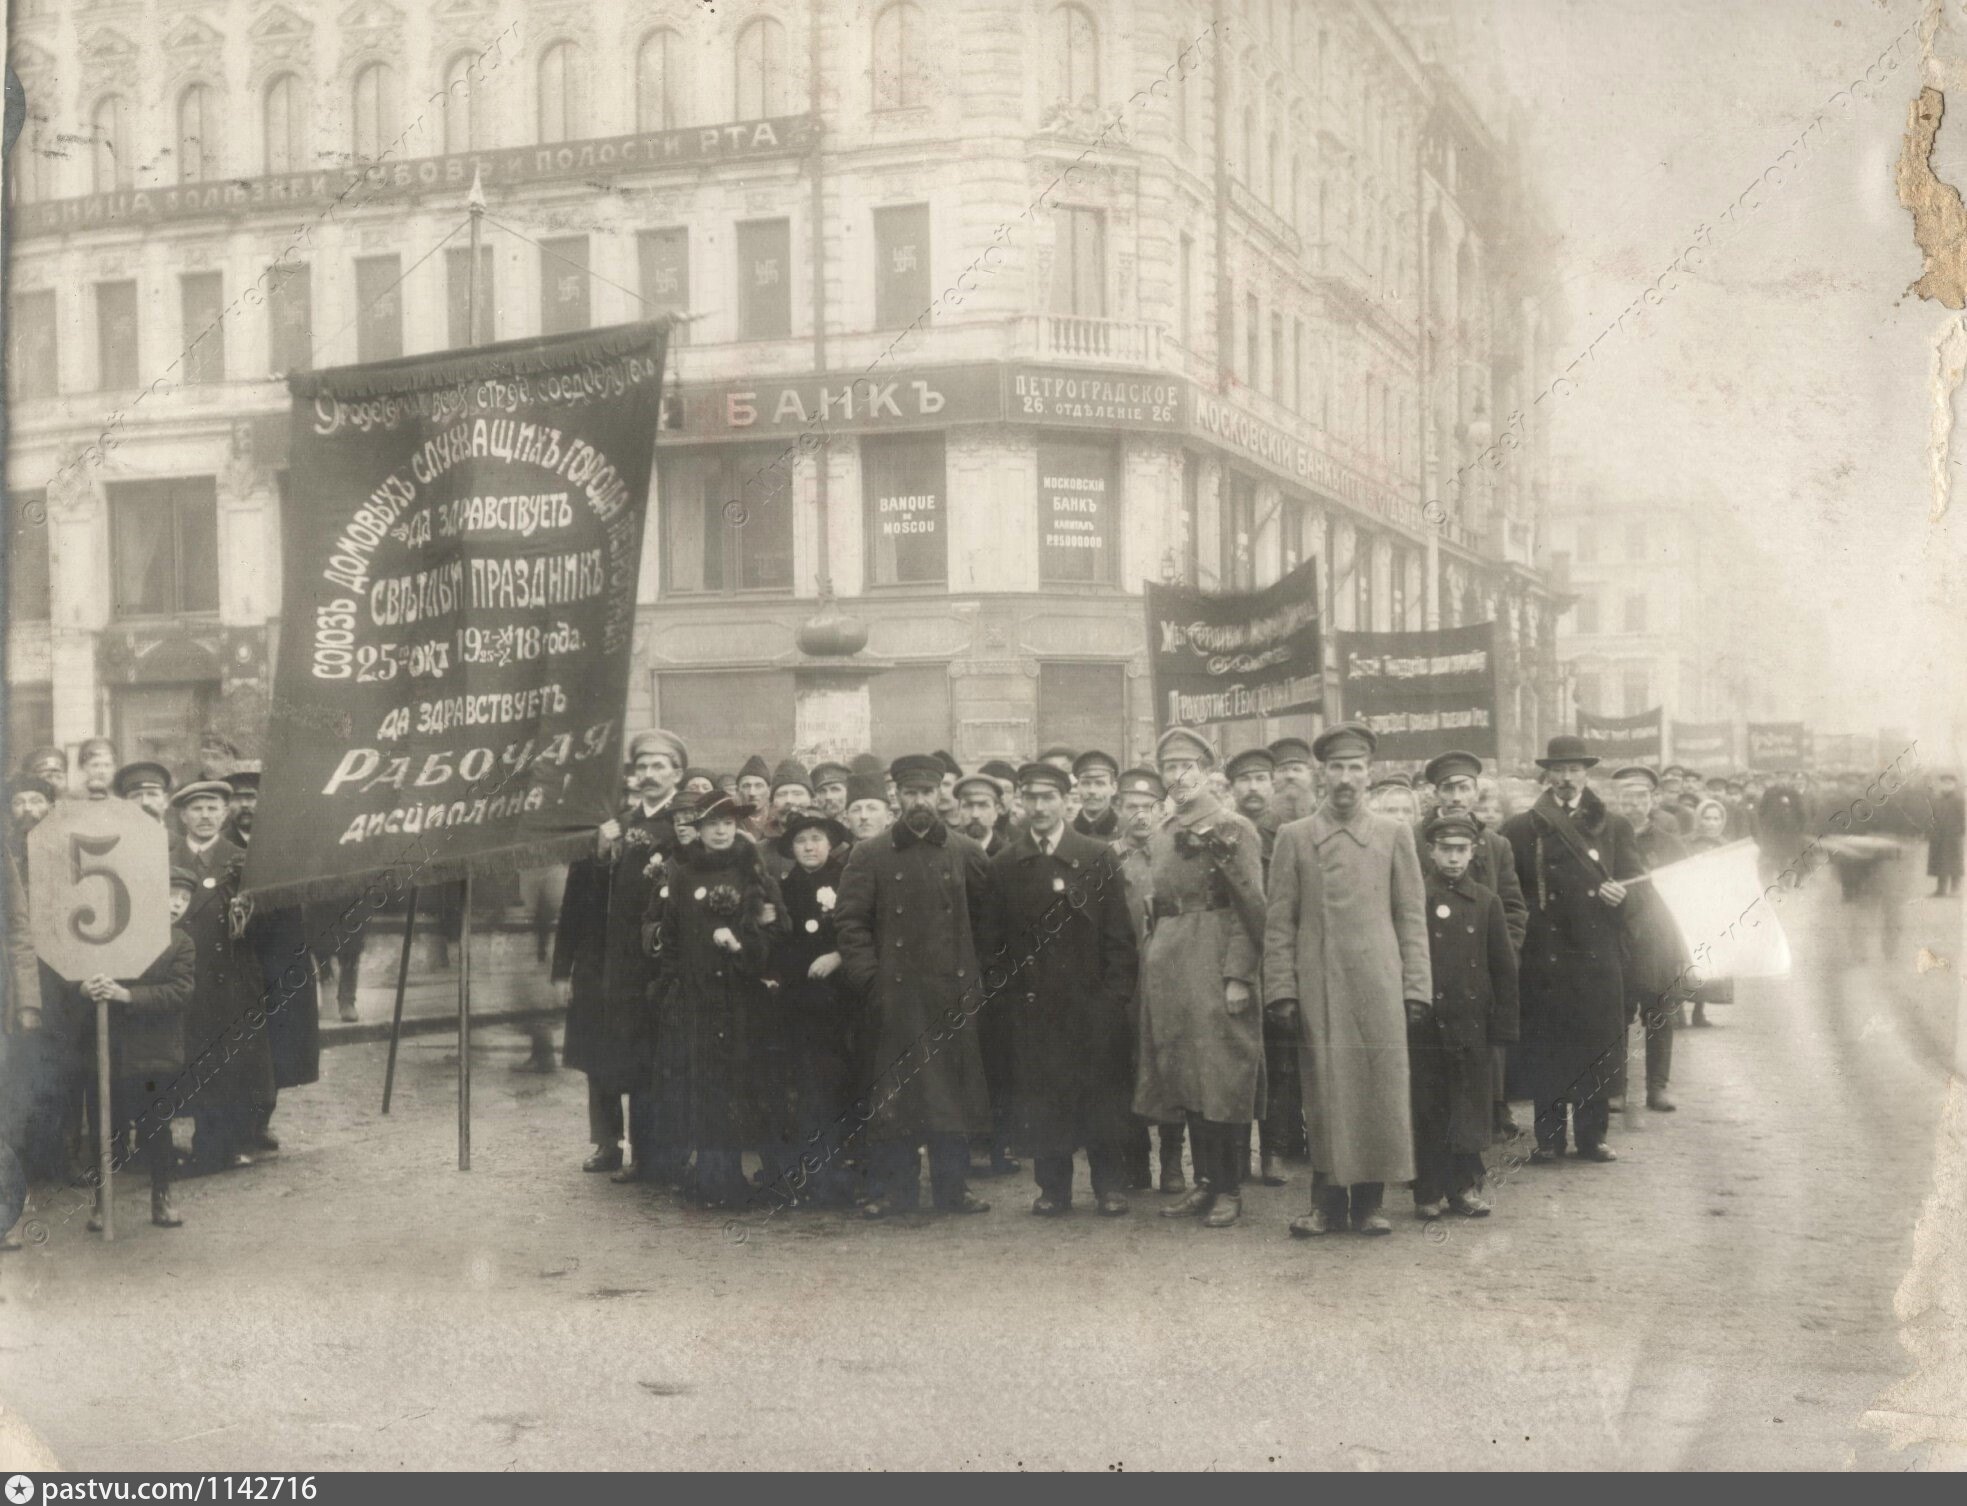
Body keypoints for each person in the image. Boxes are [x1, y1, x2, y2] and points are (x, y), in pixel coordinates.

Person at [1263, 722, 1430, 1238]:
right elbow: (1279, 922)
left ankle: (1369, 1205)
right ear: (1321, 774)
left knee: (1378, 1088)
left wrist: (1416, 987)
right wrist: (1282, 988)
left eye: (1355, 768)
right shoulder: (1295, 838)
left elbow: (1411, 917)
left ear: (1369, 774)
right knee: (1326, 1092)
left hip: (1378, 983)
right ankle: (1327, 1204)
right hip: (1321, 983)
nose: (1345, 778)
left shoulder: (1395, 834)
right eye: (1336, 767)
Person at [833, 755, 994, 1219]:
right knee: (894, 1097)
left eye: (926, 792)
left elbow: (989, 927)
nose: (919, 802)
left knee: (951, 1097)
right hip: (896, 996)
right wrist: (869, 979)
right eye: (909, 794)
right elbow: (850, 922)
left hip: (952, 994)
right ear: (896, 798)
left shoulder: (966, 852)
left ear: (940, 795)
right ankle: (893, 1190)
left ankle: (953, 1189)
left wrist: (977, 979)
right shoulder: (870, 854)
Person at [977, 762, 1140, 1217]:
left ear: (1066, 801)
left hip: (1092, 1004)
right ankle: (1053, 1189)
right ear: (1020, 803)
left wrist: (1114, 999)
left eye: (1049, 797)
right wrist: (1009, 998)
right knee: (1042, 1096)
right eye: (1031, 798)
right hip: (1033, 1006)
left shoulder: (1096, 856)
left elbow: (1120, 937)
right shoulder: (1005, 864)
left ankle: (1110, 1185)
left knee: (1102, 1095)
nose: (1040, 807)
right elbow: (994, 944)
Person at [1133, 728, 1267, 1229]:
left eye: (1187, 765)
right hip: (1170, 960)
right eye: (1168, 767)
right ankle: (1205, 1182)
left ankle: (1230, 1188)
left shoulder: (1233, 827)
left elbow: (1252, 909)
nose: (1176, 775)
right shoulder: (1164, 829)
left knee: (1224, 1074)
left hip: (1215, 958)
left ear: (1209, 770)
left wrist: (1239, 976)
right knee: (1187, 1073)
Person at [1501, 736, 1644, 1164]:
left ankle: (1592, 1136)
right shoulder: (1521, 827)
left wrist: (1624, 897)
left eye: (1574, 769)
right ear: (1547, 775)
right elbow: (1511, 892)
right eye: (1558, 770)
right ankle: (1548, 1138)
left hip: (1597, 951)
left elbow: (1640, 885)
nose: (1565, 778)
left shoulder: (1614, 826)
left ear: (1586, 773)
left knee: (1595, 1044)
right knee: (1547, 1046)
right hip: (1544, 955)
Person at [553, 729, 685, 1181]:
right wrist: (603, 856)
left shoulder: (682, 828)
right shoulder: (616, 826)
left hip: (646, 964)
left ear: (677, 774)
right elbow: (579, 901)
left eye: (659, 767)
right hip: (602, 962)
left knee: (644, 1058)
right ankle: (607, 1143)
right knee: (600, 1053)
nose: (649, 775)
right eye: (642, 767)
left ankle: (647, 1153)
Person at [645, 791, 785, 1208]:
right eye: (712, 824)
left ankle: (743, 1177)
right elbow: (670, 938)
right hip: (698, 998)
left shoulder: (754, 872)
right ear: (700, 830)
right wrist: (673, 986)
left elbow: (778, 931)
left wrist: (745, 943)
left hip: (744, 998)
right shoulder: (684, 876)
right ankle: (711, 1178)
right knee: (704, 1086)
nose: (721, 831)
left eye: (728, 823)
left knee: (742, 1085)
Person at [1408, 811, 1519, 1220]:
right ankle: (1428, 1190)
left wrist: (1503, 1026)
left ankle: (1465, 1188)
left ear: (1473, 853)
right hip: (1427, 1022)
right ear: (1431, 852)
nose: (1453, 858)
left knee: (1470, 1105)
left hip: (1472, 1022)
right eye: (1445, 850)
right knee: (1429, 1105)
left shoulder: (1486, 901)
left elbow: (1503, 967)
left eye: (1461, 850)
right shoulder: (1416, 898)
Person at [81, 867, 199, 1232]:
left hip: (154, 1054)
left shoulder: (181, 943)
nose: (177, 904)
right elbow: (82, 974)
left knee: (157, 1128)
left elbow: (179, 991)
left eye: (184, 898)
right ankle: (101, 1203)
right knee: (107, 1127)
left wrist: (126, 995)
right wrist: (87, 988)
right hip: (111, 1048)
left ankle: (161, 1198)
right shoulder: (114, 935)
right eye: (170, 894)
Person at [170, 780, 277, 1175]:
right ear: (182, 815)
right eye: (197, 808)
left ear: (225, 812)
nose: (205, 816)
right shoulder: (166, 857)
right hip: (183, 973)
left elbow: (267, 921)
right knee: (186, 1056)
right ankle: (177, 1146)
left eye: (213, 808)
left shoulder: (242, 858)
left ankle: (226, 1143)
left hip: (231, 975)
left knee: (229, 1059)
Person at [1422, 751, 1529, 1140]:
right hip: (1433, 962)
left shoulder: (1495, 845)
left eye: (1463, 787)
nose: (1455, 796)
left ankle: (1495, 1108)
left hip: (1482, 962)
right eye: (1448, 788)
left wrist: (1505, 952)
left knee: (1486, 1043)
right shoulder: (1420, 841)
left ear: (1475, 793)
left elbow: (1514, 905)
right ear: (1436, 793)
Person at [762, 810, 856, 1207]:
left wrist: (838, 955)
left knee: (833, 1087)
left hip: (836, 1002)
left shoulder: (845, 884)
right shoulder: (782, 889)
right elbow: (775, 942)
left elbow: (860, 930)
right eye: (801, 841)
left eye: (817, 839)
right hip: (795, 1003)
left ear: (830, 845)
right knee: (799, 1087)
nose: (809, 847)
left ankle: (833, 1176)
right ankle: (796, 1175)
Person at [223, 770, 319, 1152]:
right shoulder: (223, 845)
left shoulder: (284, 845)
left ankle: (262, 1118)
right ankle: (235, 1123)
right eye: (239, 798)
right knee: (239, 1041)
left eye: (252, 797)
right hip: (238, 958)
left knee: (279, 1040)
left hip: (281, 957)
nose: (246, 805)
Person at [1108, 767, 1183, 1193]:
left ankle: (1173, 1162)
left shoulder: (1175, 855)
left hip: (1168, 977)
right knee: (1125, 1067)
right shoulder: (1104, 860)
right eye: (1132, 806)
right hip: (1123, 979)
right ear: (1118, 808)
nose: (1140, 815)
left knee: (1168, 1065)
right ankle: (1136, 1160)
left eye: (1149, 807)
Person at [1225, 746, 1295, 1185]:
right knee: (1234, 1057)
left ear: (1272, 785)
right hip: (1232, 955)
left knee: (1281, 1058)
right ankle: (1233, 1157)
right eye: (1243, 780)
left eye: (1260, 779)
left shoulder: (1288, 833)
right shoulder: (1222, 831)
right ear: (1231, 787)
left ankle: (1275, 1151)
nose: (1252, 787)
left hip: (1277, 957)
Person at [1612, 765, 1692, 1112]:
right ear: (1616, 801)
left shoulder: (1670, 843)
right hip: (1617, 938)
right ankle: (1614, 1089)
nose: (1633, 805)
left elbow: (1688, 895)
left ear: (1653, 800)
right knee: (1614, 1017)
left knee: (1660, 1013)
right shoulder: (1605, 839)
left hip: (1660, 939)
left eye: (1640, 797)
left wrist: (1685, 945)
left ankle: (1657, 1088)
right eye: (1626, 798)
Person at [951, 772, 1009, 856]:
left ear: (996, 811)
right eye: (968, 806)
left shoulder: (1007, 854)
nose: (975, 814)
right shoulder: (946, 850)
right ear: (958, 810)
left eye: (983, 806)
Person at [1070, 750, 1121, 839]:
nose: (1092, 791)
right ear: (1077, 787)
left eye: (1100, 783)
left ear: (1113, 788)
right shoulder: (1066, 833)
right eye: (1085, 783)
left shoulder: (1126, 832)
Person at [1928, 771, 1963, 898]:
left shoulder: (1959, 800)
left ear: (1954, 785)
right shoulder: (1938, 799)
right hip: (1940, 835)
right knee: (1941, 861)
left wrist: (1960, 831)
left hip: (1953, 835)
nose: (1947, 786)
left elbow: (1963, 817)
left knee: (1954, 862)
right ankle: (1941, 889)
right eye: (1944, 783)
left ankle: (1955, 889)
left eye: (1949, 783)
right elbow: (1933, 816)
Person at [842, 771, 893, 845]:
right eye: (856, 810)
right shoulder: (842, 856)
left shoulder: (904, 855)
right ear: (846, 821)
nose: (863, 816)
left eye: (872, 809)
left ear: (888, 817)